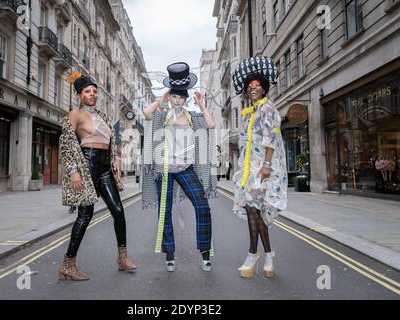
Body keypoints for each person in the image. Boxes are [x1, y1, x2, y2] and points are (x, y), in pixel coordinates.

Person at [58, 73, 136, 281]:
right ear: (80, 95)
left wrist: (116, 159)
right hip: (87, 166)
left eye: (94, 91)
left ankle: (122, 257)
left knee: (118, 211)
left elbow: (111, 142)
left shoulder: (104, 117)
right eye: (87, 91)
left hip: (104, 168)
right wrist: (73, 170)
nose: (92, 94)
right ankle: (68, 263)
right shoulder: (75, 114)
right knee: (85, 215)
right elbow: (66, 144)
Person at [142, 62, 217, 272]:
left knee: (203, 207)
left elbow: (211, 125)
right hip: (164, 170)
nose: (176, 100)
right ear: (170, 97)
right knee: (164, 212)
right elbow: (146, 113)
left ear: (185, 99)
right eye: (173, 97)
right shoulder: (162, 116)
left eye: (180, 97)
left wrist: (202, 106)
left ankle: (204, 253)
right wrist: (161, 98)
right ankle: (170, 254)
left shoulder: (192, 118)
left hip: (186, 169)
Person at [232, 57, 287, 279]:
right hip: (249, 169)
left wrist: (265, 166)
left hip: (263, 169)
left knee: (254, 211)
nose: (253, 89)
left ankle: (253, 254)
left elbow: (271, 139)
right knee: (254, 211)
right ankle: (268, 257)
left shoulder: (268, 109)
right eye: (249, 87)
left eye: (257, 87)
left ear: (263, 88)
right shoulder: (250, 112)